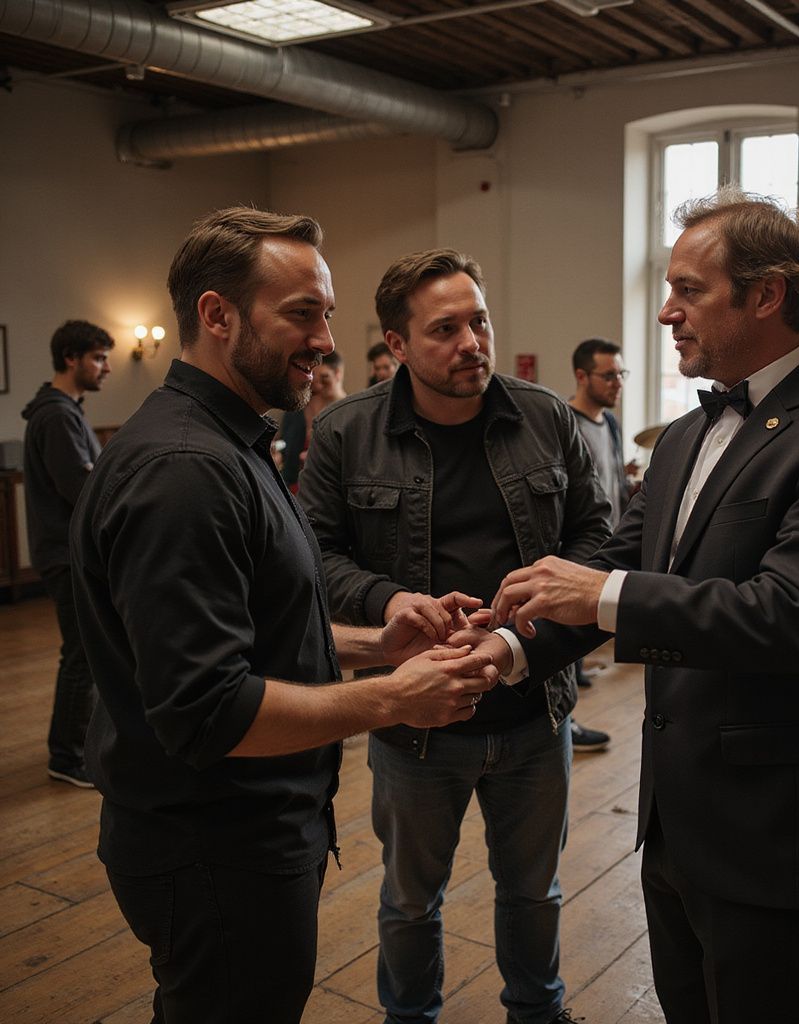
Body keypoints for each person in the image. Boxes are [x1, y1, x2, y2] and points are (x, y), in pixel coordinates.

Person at [470, 189, 799, 1024]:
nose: (665, 313)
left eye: (689, 289)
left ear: (766, 294)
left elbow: (792, 617)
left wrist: (601, 592)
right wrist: (511, 646)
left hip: (776, 825)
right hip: (676, 817)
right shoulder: (682, 435)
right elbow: (616, 563)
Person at [69, 208, 499, 1024]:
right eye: (302, 312)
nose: (326, 340)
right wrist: (394, 699)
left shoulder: (231, 442)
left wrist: (379, 645)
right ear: (217, 315)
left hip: (241, 835)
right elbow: (208, 707)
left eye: (327, 313)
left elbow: (250, 626)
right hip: (212, 850)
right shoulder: (185, 471)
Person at [299, 248, 612, 1024]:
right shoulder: (345, 433)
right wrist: (391, 597)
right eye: (445, 328)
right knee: (410, 902)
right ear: (397, 345)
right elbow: (311, 559)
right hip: (414, 719)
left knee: (534, 891)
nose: (472, 341)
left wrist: (527, 626)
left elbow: (599, 539)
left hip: (536, 707)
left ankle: (537, 1011)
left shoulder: (546, 419)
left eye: (479, 320)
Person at [22, 319, 113, 788]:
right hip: (65, 553)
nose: (107, 367)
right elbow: (81, 488)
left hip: (65, 552)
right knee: (82, 656)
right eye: (98, 358)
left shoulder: (64, 411)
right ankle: (68, 756)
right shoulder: (56, 415)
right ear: (72, 359)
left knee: (84, 654)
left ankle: (75, 747)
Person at [567, 337, 638, 692]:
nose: (618, 383)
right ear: (582, 376)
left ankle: (575, 675)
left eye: (620, 373)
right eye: (608, 376)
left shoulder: (610, 421)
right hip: (580, 543)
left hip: (611, 538)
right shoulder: (565, 424)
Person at [278, 349, 345, 490]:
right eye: (314, 377)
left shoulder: (348, 413)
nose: (318, 385)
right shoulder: (296, 410)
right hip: (292, 488)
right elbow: (284, 447)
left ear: (338, 374)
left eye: (325, 378)